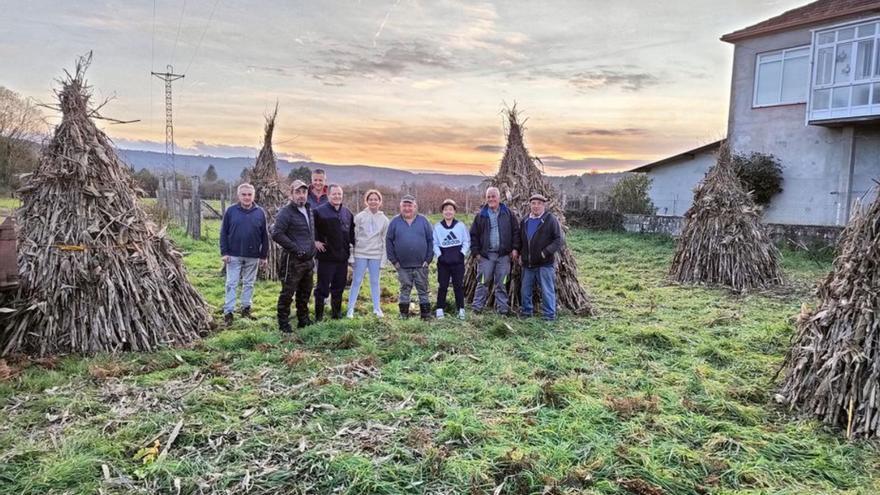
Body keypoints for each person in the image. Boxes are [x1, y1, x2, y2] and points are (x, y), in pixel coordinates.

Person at [219, 183, 269, 327]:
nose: (247, 197)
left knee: (249, 283)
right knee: (231, 283)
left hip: (252, 255)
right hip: (233, 255)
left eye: (249, 195)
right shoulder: (231, 211)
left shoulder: (260, 212)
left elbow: (264, 235)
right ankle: (228, 312)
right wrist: (224, 252)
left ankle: (246, 309)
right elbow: (223, 233)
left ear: (254, 196)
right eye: (244, 194)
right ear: (239, 196)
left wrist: (263, 255)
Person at [272, 180, 316, 332]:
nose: (301, 196)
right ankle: (283, 323)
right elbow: (277, 233)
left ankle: (303, 319)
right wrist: (296, 249)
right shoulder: (286, 212)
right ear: (291, 194)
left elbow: (310, 232)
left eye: (303, 192)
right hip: (293, 261)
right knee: (288, 292)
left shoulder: (309, 209)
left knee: (305, 292)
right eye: (297, 192)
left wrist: (312, 249)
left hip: (309, 260)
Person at [469, 186, 521, 315]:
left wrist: (515, 248)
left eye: (493, 196)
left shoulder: (508, 214)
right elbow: (474, 235)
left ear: (499, 198)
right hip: (486, 256)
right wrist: (476, 253)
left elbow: (516, 231)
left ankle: (502, 309)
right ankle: (477, 307)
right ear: (486, 199)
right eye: (488, 197)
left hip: (504, 256)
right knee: (482, 281)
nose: (491, 199)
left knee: (502, 282)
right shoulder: (481, 215)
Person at [385, 194, 434, 320]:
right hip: (402, 265)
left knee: (423, 290)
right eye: (404, 206)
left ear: (415, 206)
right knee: (404, 290)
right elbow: (389, 241)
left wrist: (428, 260)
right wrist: (394, 261)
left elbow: (431, 240)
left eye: (410, 205)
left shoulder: (423, 221)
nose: (407, 208)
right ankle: (403, 315)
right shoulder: (395, 222)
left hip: (421, 265)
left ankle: (426, 316)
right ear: (400, 207)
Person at [312, 184, 355, 320]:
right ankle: (319, 316)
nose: (337, 197)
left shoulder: (347, 213)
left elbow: (352, 234)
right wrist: (315, 241)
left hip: (342, 258)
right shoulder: (319, 212)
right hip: (326, 257)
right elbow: (312, 229)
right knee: (322, 288)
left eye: (339, 194)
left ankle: (336, 314)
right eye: (334, 194)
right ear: (328, 195)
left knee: (339, 287)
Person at [519, 193, 563, 321]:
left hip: (545, 264)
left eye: (539, 203)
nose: (536, 206)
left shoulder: (550, 219)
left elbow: (559, 240)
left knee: (547, 290)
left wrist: (545, 252)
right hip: (528, 263)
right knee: (525, 290)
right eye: (533, 203)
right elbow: (521, 240)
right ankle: (527, 312)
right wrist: (521, 253)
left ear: (544, 205)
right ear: (530, 205)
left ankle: (549, 315)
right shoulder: (525, 220)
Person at [347, 189, 390, 318]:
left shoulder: (384, 220)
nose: (373, 201)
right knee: (357, 281)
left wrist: (383, 260)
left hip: (376, 255)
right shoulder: (359, 217)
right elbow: (353, 238)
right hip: (360, 253)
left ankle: (377, 309)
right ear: (367, 201)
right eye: (370, 199)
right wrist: (351, 255)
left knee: (375, 282)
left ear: (379, 202)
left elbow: (384, 240)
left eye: (375, 199)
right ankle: (350, 309)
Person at [433, 199, 470, 320]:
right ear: (442, 212)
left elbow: (466, 241)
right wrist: (440, 256)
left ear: (454, 212)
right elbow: (434, 243)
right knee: (442, 285)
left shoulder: (460, 226)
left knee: (458, 286)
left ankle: (461, 309)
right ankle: (440, 309)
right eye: (445, 210)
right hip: (443, 263)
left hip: (457, 262)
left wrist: (462, 254)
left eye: (450, 209)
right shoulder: (438, 227)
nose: (448, 212)